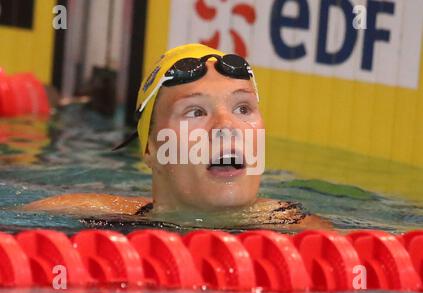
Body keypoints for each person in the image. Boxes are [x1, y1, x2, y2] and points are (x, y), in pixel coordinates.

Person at [23, 44, 331, 229]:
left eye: (242, 108)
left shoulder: (304, 234)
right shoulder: (86, 216)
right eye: (195, 112)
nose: (226, 126)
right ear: (151, 148)